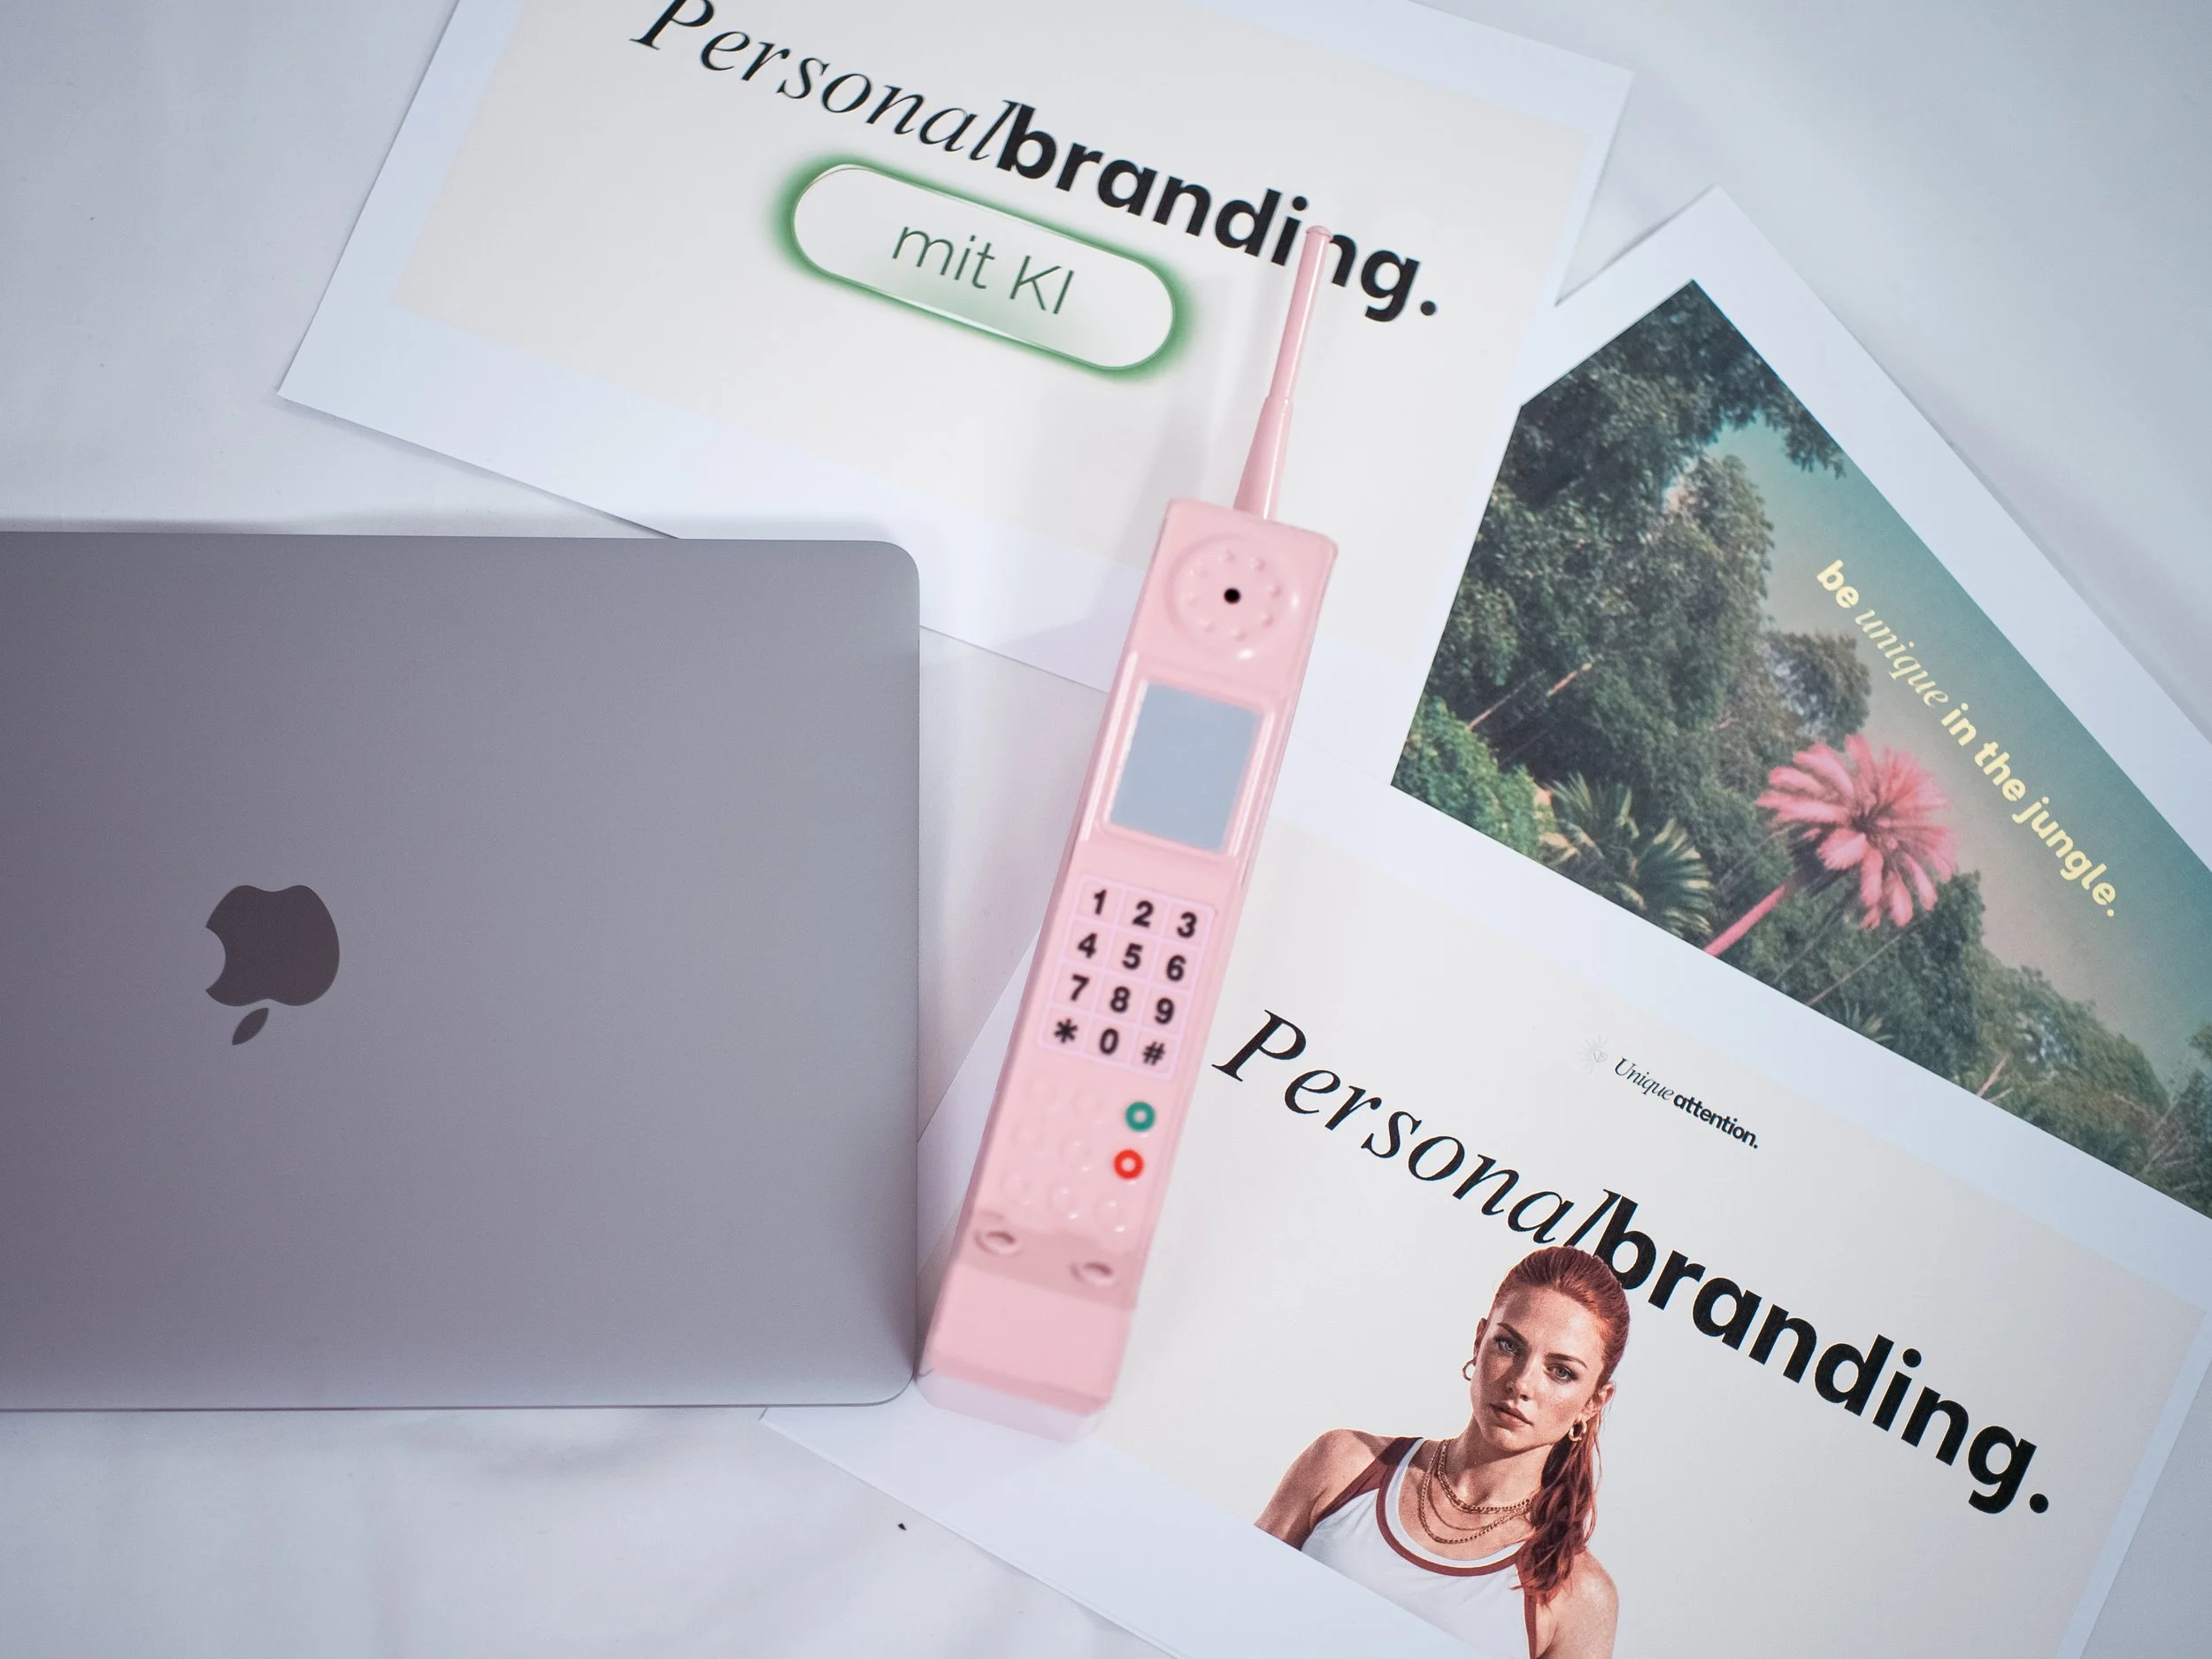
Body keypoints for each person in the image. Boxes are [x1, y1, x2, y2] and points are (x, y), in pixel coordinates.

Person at [1256, 1247, 1630, 1658]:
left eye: (1561, 1372)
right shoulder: (1343, 1464)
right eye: (1509, 1346)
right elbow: (1227, 1602)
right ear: (1479, 1341)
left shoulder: (1578, 1594)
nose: (1522, 1383)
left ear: (1594, 1402)